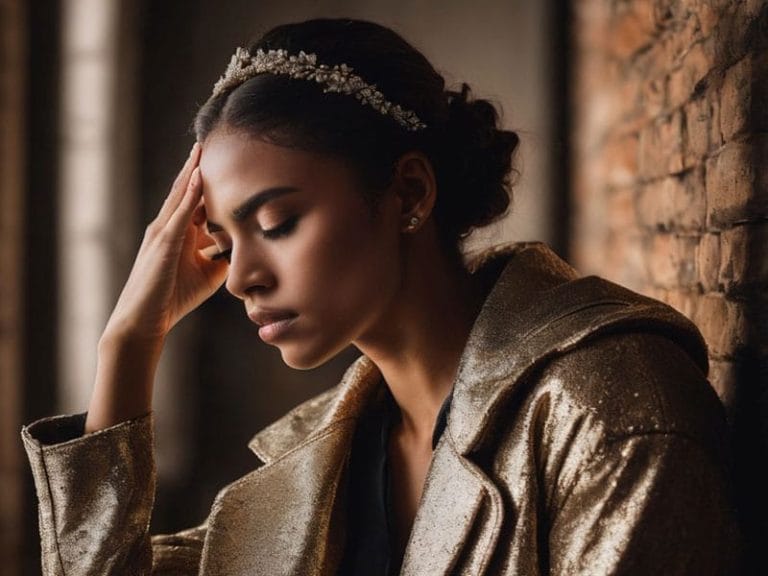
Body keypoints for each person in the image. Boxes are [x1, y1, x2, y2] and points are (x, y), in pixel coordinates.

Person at [22, 17, 741, 576]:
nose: (240, 278)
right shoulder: (316, 471)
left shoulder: (608, 410)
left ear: (409, 192)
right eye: (222, 240)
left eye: (276, 223)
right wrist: (129, 343)